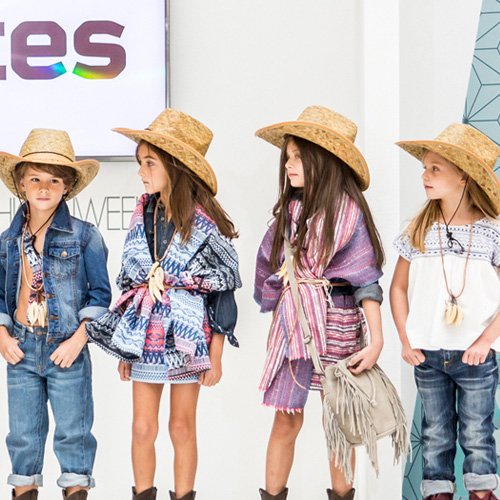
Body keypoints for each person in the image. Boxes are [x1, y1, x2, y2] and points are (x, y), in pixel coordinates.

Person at [86, 109, 241, 500]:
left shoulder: (207, 226)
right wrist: (125, 345)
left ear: (175, 166)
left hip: (189, 335)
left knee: (182, 426)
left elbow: (222, 290)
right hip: (145, 331)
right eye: (141, 162)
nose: (141, 171)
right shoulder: (144, 213)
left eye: (149, 163)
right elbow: (131, 279)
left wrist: (217, 353)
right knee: (142, 427)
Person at [254, 106, 385, 500]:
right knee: (286, 419)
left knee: (338, 422)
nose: (289, 165)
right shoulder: (289, 213)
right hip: (296, 325)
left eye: (298, 156)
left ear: (322, 161)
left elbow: (367, 283)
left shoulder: (348, 213)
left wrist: (376, 341)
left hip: (340, 320)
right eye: (288, 157)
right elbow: (272, 266)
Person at [390, 123, 500, 500]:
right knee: (435, 433)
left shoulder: (492, 232)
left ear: (464, 177)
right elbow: (398, 288)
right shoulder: (417, 231)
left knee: (477, 435)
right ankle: (438, 494)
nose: (424, 175)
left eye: (435, 168)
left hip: (476, 358)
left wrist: (486, 340)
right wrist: (406, 338)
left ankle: (482, 494)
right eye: (425, 168)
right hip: (428, 354)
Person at [0, 129, 111, 500]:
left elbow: (100, 296)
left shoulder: (85, 236)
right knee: (23, 437)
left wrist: (79, 341)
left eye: (54, 180)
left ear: (67, 187)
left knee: (74, 435)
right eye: (34, 179)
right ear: (20, 183)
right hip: (22, 350)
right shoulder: (7, 241)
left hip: (67, 350)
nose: (43, 188)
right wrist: (3, 335)